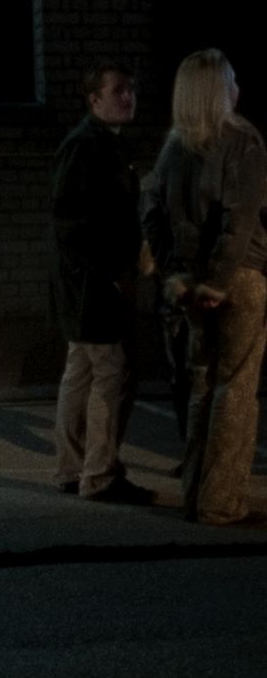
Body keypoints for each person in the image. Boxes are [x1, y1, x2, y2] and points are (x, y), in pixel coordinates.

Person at [142, 49, 267, 526]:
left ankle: (196, 496)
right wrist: (218, 279)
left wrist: (177, 273)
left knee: (201, 387)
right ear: (219, 89)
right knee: (235, 390)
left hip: (191, 283)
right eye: (232, 79)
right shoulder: (244, 141)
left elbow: (151, 211)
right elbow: (241, 218)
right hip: (239, 279)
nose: (238, 88)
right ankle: (221, 502)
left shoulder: (174, 146)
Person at [49, 61, 156, 504]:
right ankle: (99, 475)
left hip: (87, 284)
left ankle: (73, 470)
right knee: (110, 374)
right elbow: (72, 221)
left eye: (131, 90)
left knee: (82, 374)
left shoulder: (103, 144)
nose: (127, 98)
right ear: (93, 99)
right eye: (118, 91)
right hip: (95, 285)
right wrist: (114, 274)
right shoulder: (87, 146)